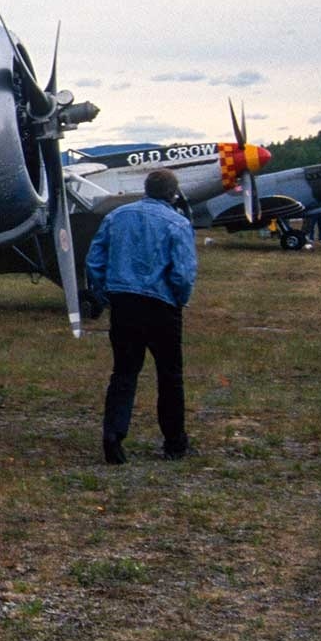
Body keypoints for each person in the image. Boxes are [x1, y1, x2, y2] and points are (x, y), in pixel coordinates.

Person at [86, 169, 198, 465]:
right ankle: (174, 442)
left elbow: (95, 259)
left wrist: (105, 293)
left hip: (124, 303)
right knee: (170, 376)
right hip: (162, 305)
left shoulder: (117, 216)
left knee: (124, 372)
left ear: (146, 189)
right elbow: (183, 272)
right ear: (173, 194)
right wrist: (179, 298)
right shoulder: (178, 222)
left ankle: (113, 435)